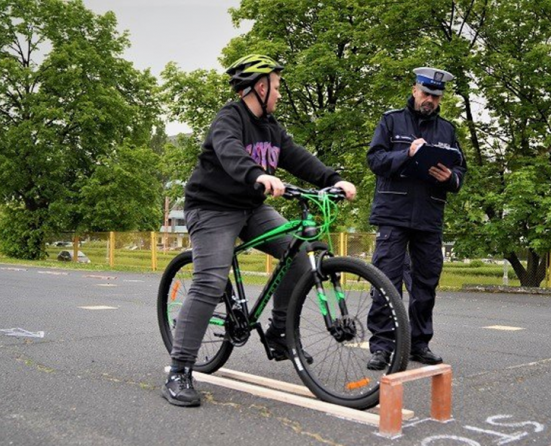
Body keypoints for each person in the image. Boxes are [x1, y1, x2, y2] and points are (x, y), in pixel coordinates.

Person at [163, 54, 357, 407]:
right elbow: (230, 151)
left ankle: (280, 333)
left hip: (251, 207)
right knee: (209, 281)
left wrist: (333, 179)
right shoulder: (229, 118)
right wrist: (257, 174)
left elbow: (295, 155)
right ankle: (179, 370)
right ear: (259, 86)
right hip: (211, 208)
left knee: (300, 251)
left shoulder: (271, 127)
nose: (280, 94)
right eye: (277, 87)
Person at [366, 67, 466, 370]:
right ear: (414, 90)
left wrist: (450, 177)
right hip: (393, 215)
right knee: (386, 281)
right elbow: (375, 160)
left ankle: (419, 344)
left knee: (425, 283)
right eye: (426, 94)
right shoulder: (391, 120)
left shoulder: (447, 130)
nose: (430, 101)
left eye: (436, 97)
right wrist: (406, 155)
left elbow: (461, 171)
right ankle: (382, 346)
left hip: (428, 217)